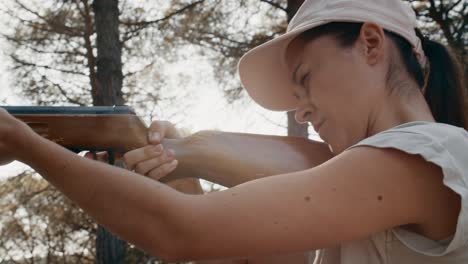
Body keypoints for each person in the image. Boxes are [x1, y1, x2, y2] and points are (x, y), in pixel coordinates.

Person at [0, 0, 467, 263]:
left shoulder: (434, 154)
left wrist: (25, 143)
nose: (302, 113)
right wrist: (180, 170)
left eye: (303, 81)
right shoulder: (371, 197)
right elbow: (211, 243)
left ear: (370, 42)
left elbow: (180, 231)